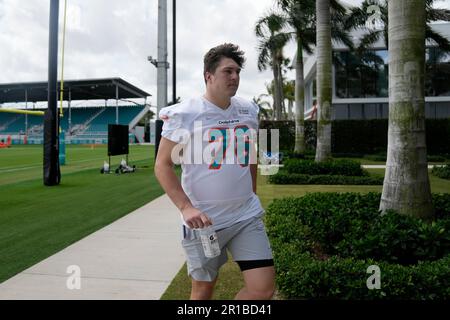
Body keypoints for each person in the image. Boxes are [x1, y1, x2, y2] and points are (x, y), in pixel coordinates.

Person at [154, 43, 275, 300]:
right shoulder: (185, 114)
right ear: (209, 76)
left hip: (245, 215)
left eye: (238, 72)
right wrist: (186, 207)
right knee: (203, 290)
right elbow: (162, 165)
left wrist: (250, 192)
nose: (235, 77)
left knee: (262, 289)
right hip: (205, 222)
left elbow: (249, 153)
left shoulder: (247, 109)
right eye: (228, 71)